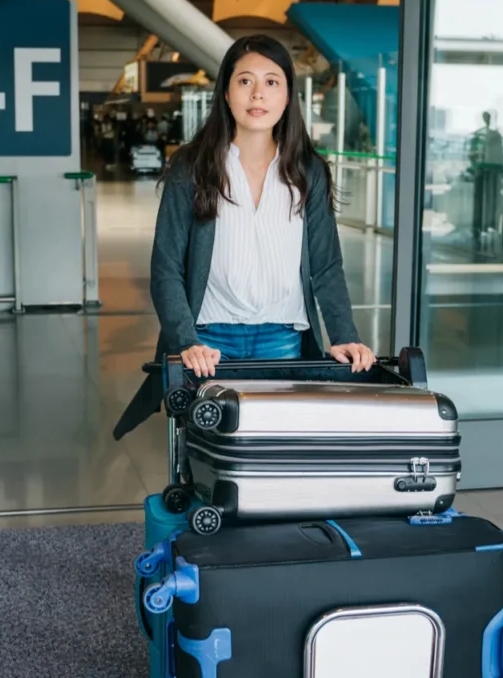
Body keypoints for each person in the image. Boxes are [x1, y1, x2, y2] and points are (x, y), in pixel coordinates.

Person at [113, 34, 373, 440]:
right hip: (207, 344)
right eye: (245, 81)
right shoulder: (192, 166)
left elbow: (325, 266)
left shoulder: (308, 171)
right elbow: (166, 268)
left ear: (288, 96)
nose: (258, 94)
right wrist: (186, 342)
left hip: (282, 341)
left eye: (272, 82)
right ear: (227, 93)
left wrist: (344, 337)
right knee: (208, 456)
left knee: (271, 458)